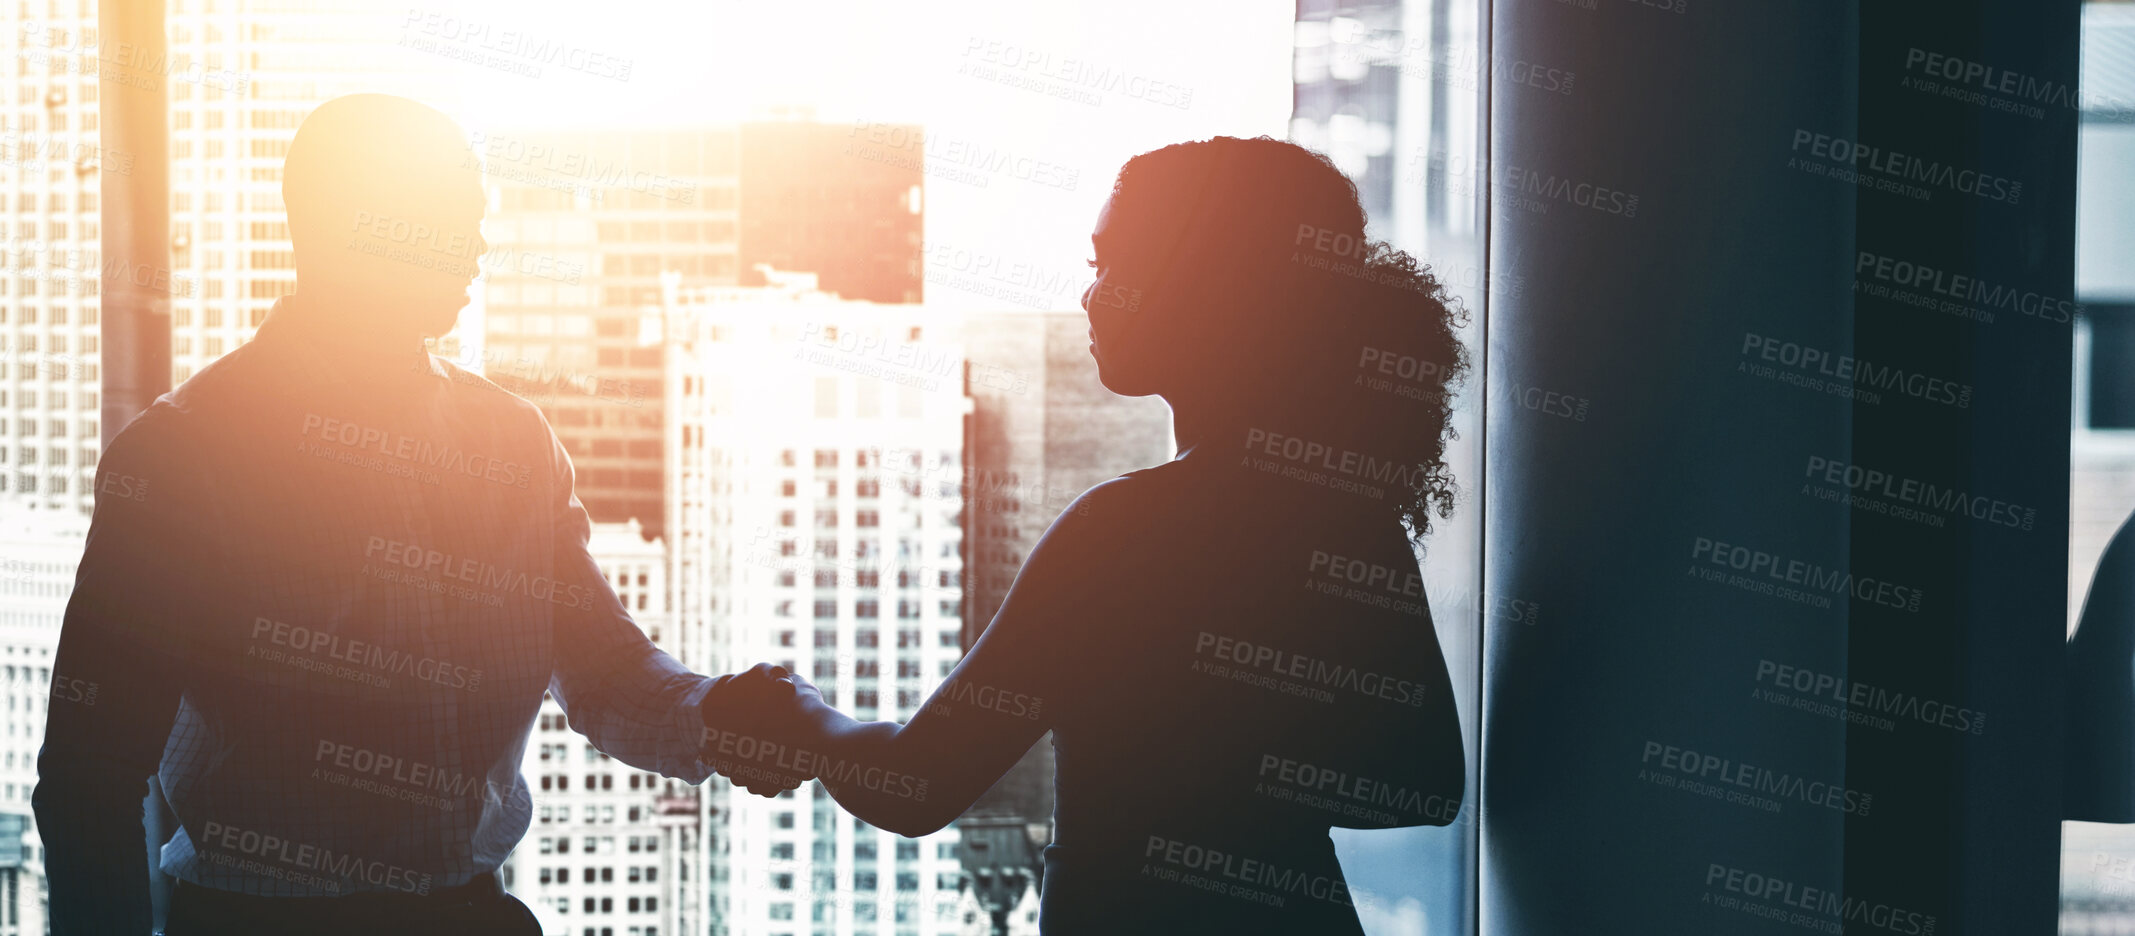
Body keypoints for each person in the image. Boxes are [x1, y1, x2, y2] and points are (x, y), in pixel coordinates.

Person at [33, 94, 792, 936]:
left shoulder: (512, 443)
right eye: (448, 220)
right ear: (348, 230)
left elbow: (604, 675)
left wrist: (723, 718)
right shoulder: (182, 458)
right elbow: (88, 776)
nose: (476, 249)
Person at [706, 136, 1470, 934]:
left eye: (1115, 266)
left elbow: (919, 782)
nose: (1090, 296)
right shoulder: (1346, 512)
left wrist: (801, 720)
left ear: (1213, 291)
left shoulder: (1124, 531)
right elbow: (1421, 782)